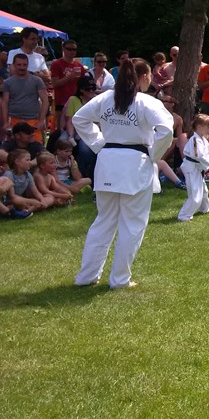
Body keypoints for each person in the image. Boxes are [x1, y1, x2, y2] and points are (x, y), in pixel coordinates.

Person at [72, 57, 174, 289]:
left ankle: (86, 276)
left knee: (103, 221)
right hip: (134, 163)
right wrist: (153, 153)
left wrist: (100, 144)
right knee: (132, 224)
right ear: (144, 77)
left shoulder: (105, 98)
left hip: (108, 162)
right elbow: (166, 129)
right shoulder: (145, 102)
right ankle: (119, 279)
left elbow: (80, 119)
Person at [2, 53, 49, 143]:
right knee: (15, 151)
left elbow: (45, 101)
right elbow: (5, 102)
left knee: (36, 148)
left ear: (28, 65)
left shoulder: (37, 80)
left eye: (24, 64)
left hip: (33, 120)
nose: (22, 67)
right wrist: (5, 122)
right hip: (14, 120)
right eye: (19, 65)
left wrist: (41, 120)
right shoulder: (8, 82)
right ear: (14, 65)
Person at [178, 114, 209, 222]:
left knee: (204, 190)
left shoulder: (203, 139)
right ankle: (184, 215)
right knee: (195, 194)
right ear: (199, 127)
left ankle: (205, 208)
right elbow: (198, 155)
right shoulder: (195, 140)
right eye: (208, 127)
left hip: (198, 167)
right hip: (191, 168)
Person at [50, 40, 85, 130]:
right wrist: (69, 77)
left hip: (76, 101)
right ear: (63, 49)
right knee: (61, 128)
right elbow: (55, 83)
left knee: (76, 127)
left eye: (74, 49)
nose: (72, 51)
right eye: (69, 49)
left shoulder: (79, 65)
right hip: (61, 101)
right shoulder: (56, 64)